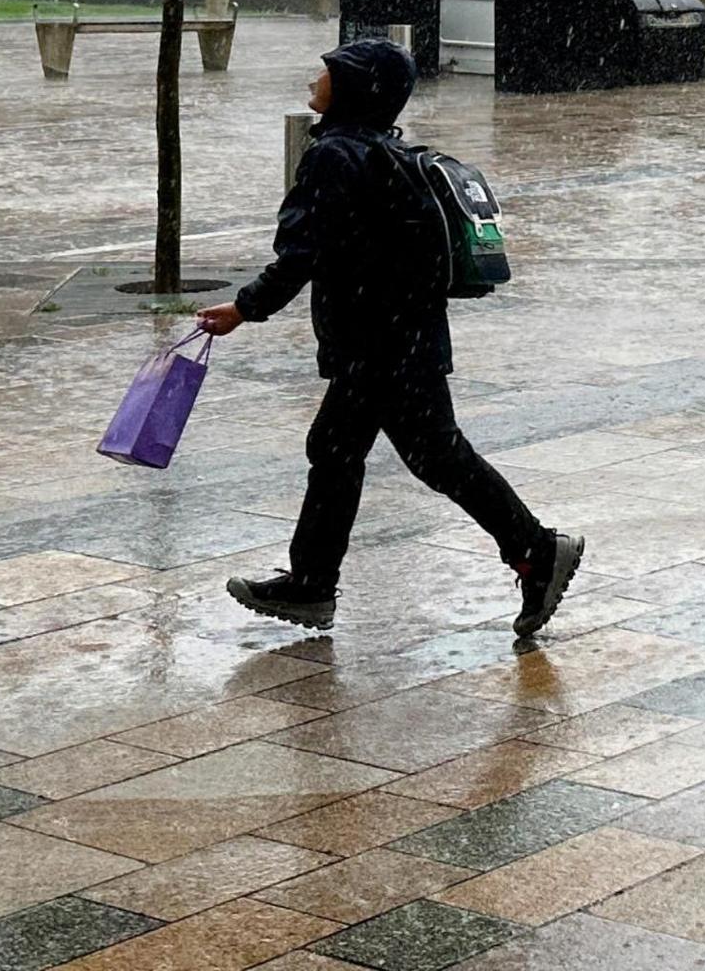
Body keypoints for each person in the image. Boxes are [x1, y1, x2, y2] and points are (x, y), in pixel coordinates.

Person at [198, 38, 584, 641]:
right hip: (405, 338)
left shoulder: (335, 157)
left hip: (374, 344)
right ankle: (317, 584)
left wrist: (244, 308)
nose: (312, 84)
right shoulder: (388, 151)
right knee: (369, 452)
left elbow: (304, 251)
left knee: (398, 455)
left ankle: (533, 550)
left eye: (325, 75)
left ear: (355, 88)